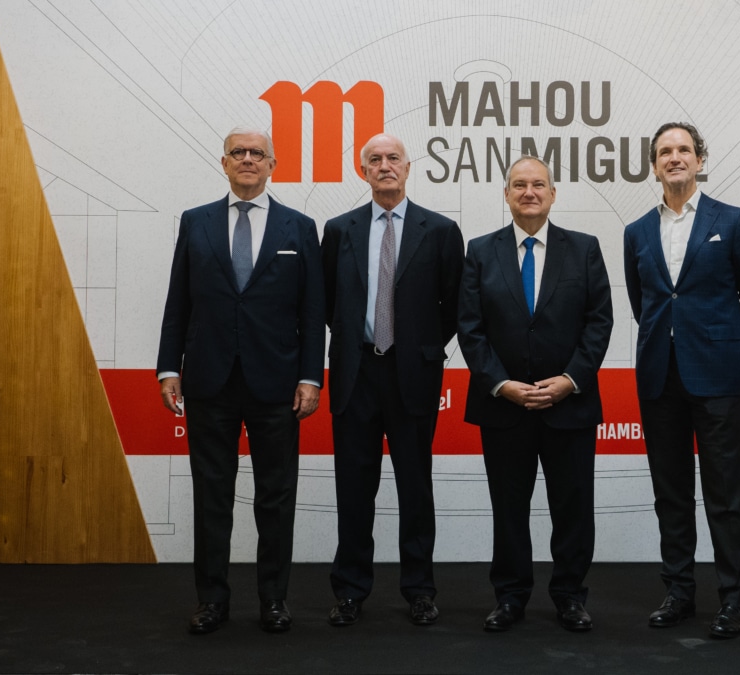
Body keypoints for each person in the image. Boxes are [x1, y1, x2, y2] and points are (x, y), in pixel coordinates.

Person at [157, 127, 325, 634]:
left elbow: (312, 310)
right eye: (239, 153)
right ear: (224, 163)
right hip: (209, 380)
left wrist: (310, 377)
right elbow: (178, 302)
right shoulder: (196, 222)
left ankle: (274, 600)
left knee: (276, 496)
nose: (248, 160)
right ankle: (212, 600)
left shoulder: (300, 226)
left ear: (273, 164)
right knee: (212, 495)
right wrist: (169, 368)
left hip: (277, 383)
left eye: (257, 153)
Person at [623, 122, 740, 639]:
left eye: (683, 149)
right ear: (654, 164)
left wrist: (720, 344)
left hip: (718, 379)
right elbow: (644, 304)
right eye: (664, 151)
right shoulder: (636, 231)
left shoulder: (732, 221)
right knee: (671, 493)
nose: (674, 157)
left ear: (700, 158)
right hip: (660, 378)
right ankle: (679, 592)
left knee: (725, 493)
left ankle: (734, 598)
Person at [457, 156, 613, 633]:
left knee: (573, 507)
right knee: (509, 508)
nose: (529, 192)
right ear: (506, 195)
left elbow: (598, 322)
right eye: (519, 185)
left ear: (552, 193)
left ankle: (569, 595)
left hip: (569, 403)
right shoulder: (481, 251)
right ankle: (510, 597)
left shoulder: (584, 249)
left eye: (538, 184)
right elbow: (470, 328)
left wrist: (570, 380)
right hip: (504, 406)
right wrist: (502, 385)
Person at [321, 133, 464, 627]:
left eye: (393, 159)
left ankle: (420, 590)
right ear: (364, 171)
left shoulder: (441, 231)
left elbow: (453, 307)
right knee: (353, 488)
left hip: (412, 375)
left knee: (415, 488)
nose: (384, 166)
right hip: (355, 373)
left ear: (408, 168)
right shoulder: (339, 230)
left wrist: (421, 348)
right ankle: (350, 590)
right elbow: (327, 302)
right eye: (374, 160)